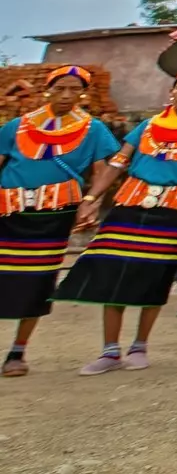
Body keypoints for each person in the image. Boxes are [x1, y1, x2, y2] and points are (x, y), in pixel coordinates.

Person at [58, 68, 177, 374]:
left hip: (174, 207)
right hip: (131, 202)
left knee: (154, 273)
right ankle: (110, 351)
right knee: (112, 270)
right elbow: (118, 161)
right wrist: (91, 198)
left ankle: (140, 346)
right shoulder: (150, 124)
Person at [1, 67, 120, 376]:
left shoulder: (93, 129)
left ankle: (17, 351)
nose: (67, 95)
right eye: (61, 89)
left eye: (74, 90)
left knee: (37, 280)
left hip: (53, 214)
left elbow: (102, 168)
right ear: (48, 90)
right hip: (8, 209)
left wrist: (92, 201)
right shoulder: (16, 127)